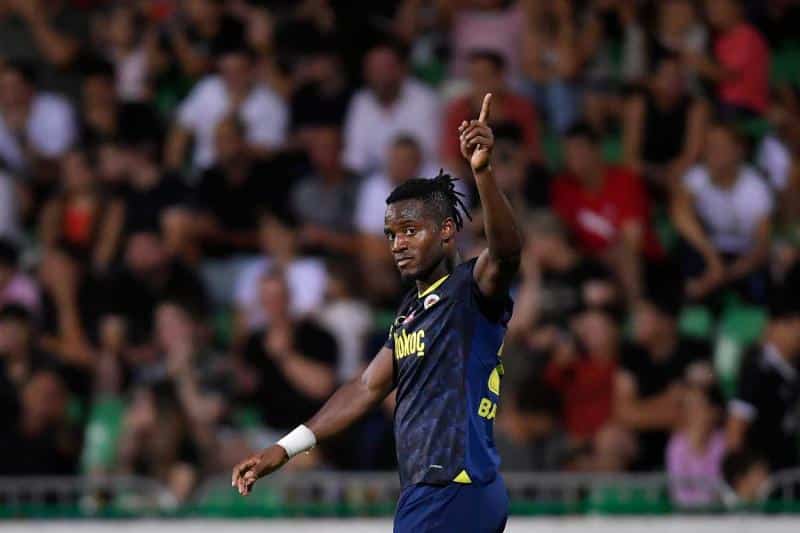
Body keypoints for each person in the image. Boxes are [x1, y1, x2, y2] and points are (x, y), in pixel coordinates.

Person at [233, 94, 520, 533]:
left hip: (451, 486)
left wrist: (482, 173)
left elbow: (505, 254)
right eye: (390, 234)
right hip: (440, 490)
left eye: (410, 230)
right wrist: (285, 448)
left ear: (446, 231)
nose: (397, 244)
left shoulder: (469, 289)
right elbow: (366, 387)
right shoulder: (410, 313)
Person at [671, 124, 773, 305]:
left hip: (742, 258)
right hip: (708, 251)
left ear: (738, 151)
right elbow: (680, 214)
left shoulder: (756, 189)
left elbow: (761, 248)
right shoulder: (697, 177)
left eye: (720, 147)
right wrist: (712, 259)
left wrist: (721, 275)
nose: (713, 153)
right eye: (709, 147)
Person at [726, 266, 800, 471]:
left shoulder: (793, 369)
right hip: (767, 478)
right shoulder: (756, 371)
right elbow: (735, 432)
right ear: (779, 325)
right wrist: (749, 479)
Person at [342, 41, 440, 176]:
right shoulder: (361, 101)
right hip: (374, 179)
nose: (380, 75)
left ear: (402, 69)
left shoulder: (425, 99)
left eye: (385, 67)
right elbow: (354, 159)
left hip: (420, 176)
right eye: (374, 69)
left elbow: (428, 152)